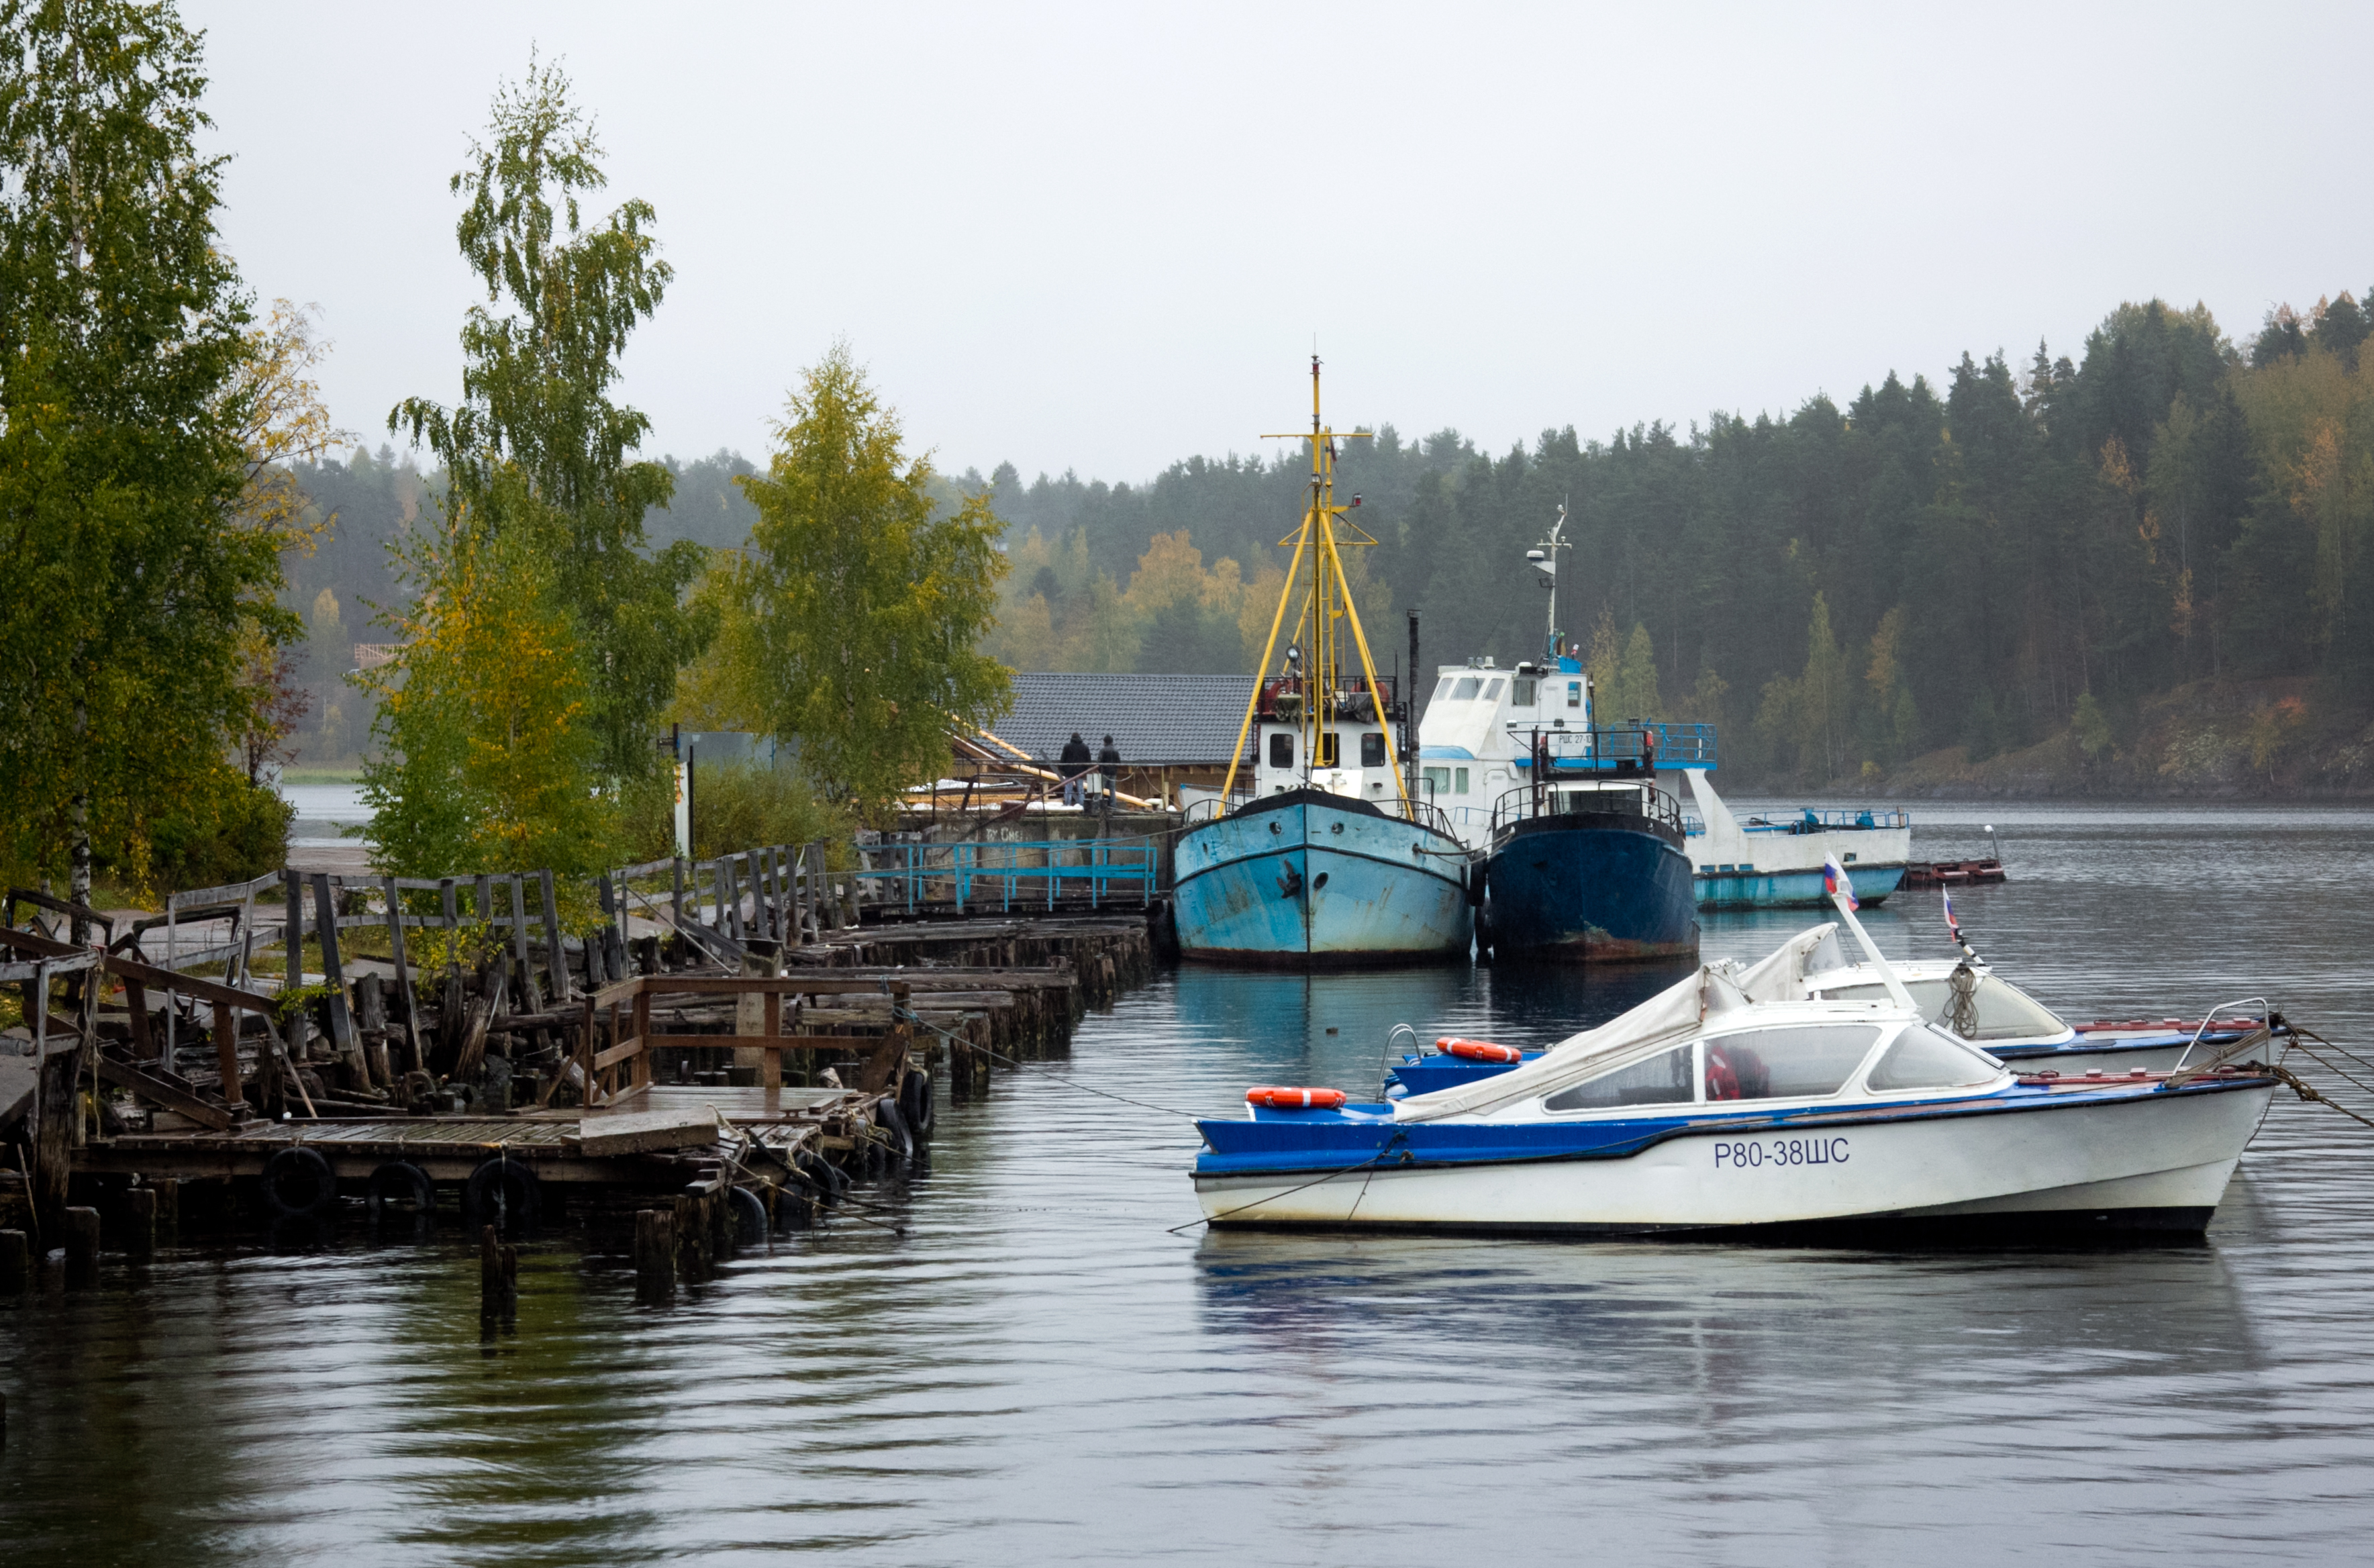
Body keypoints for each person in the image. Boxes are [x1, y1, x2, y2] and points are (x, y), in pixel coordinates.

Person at [1058, 731, 1091, 807]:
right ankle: (1082, 806)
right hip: (1080, 772)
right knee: (1081, 790)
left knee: (1068, 789)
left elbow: (1063, 759)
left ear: (1072, 738)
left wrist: (1062, 769)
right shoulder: (1085, 747)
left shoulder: (1067, 747)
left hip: (1069, 771)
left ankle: (1067, 804)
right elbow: (1088, 761)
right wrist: (1085, 770)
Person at [1096, 735, 1122, 816]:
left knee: (1100, 789)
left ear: (1105, 742)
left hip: (1105, 772)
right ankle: (1113, 807)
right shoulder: (1116, 751)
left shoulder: (1103, 750)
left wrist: (1100, 770)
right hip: (1113, 773)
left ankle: (1097, 806)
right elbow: (1119, 762)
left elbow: (1099, 762)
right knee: (1112, 790)